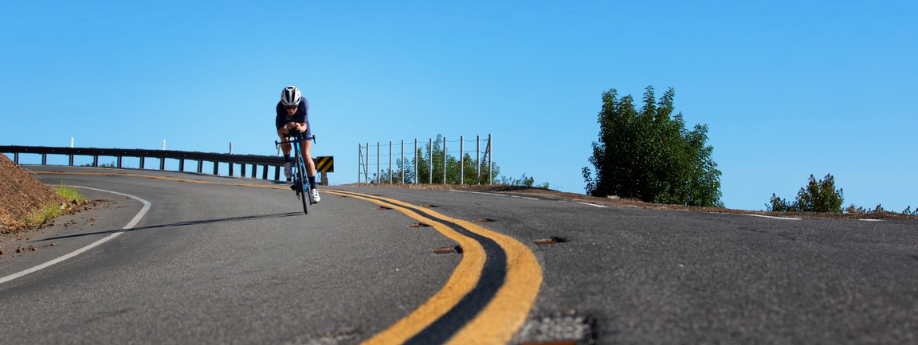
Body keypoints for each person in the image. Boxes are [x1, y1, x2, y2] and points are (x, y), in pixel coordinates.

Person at [276, 85, 320, 203]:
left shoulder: (304, 103)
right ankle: (287, 161)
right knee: (283, 137)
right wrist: (287, 128)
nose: (291, 110)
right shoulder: (279, 107)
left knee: (306, 155)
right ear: (283, 104)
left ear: (298, 103)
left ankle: (314, 189)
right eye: (287, 107)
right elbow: (282, 130)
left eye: (294, 106)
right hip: (285, 125)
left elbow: (304, 126)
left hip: (301, 124)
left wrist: (299, 127)